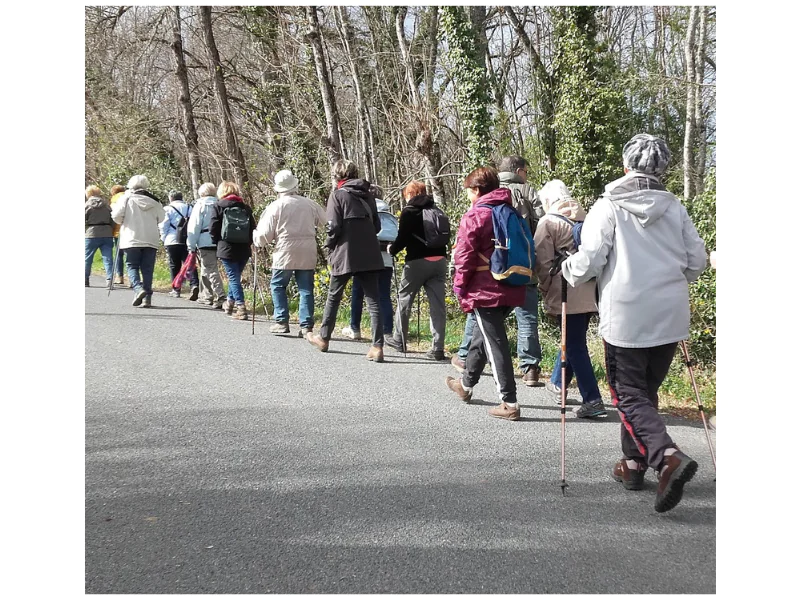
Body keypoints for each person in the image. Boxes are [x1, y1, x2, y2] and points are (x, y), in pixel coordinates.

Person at [561, 133, 707, 512]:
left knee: (628, 396)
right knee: (645, 393)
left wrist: (568, 269)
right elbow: (697, 261)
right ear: (662, 170)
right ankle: (633, 464)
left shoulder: (609, 206)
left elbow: (590, 260)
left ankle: (666, 457)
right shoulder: (674, 207)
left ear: (626, 165)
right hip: (670, 313)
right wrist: (670, 283)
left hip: (626, 313)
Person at [452, 155, 544, 385]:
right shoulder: (526, 193)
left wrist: (460, 284)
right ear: (520, 171)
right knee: (527, 318)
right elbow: (541, 226)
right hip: (522, 266)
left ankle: (467, 360)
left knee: (481, 320)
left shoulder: (483, 199)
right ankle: (530, 367)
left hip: (488, 273)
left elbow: (468, 244)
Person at [445, 167, 526, 420]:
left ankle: (509, 403)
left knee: (495, 344)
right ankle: (466, 385)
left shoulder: (476, 215)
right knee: (482, 338)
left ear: (477, 190)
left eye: (469, 190)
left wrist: (459, 286)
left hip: (485, 289)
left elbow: (464, 256)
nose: (468, 195)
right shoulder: (510, 211)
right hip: (512, 282)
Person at [534, 179, 606, 418]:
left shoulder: (548, 222)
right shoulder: (586, 219)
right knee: (572, 338)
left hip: (566, 289)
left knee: (575, 345)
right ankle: (558, 383)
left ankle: (593, 399)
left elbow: (543, 263)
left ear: (547, 201)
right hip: (590, 289)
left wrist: (544, 288)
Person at [306, 159, 385, 362]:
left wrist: (329, 245)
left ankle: (324, 338)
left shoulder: (337, 195)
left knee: (334, 296)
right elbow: (377, 226)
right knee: (373, 300)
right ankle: (377, 347)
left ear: (337, 175)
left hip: (345, 253)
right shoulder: (368, 195)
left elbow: (333, 227)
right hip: (369, 252)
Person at [253, 169, 326, 336]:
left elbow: (265, 234)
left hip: (284, 250)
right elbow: (326, 222)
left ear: (278, 189)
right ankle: (306, 325)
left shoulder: (275, 206)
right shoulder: (309, 204)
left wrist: (257, 240)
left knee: (278, 285)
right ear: (295, 185)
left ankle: (281, 320)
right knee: (306, 288)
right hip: (308, 249)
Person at [385, 180, 448, 360]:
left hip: (417, 262)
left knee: (404, 297)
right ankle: (438, 348)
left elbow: (402, 238)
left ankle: (400, 339)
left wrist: (392, 249)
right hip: (440, 261)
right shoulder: (437, 210)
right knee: (438, 306)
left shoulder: (410, 211)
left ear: (410, 195)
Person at [341, 185, 397, 342]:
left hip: (366, 259)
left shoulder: (365, 211)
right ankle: (387, 332)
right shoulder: (390, 215)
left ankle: (355, 328)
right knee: (384, 295)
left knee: (358, 293)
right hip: (386, 260)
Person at [111, 175, 165, 307]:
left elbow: (116, 217)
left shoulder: (126, 198)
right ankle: (147, 298)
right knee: (147, 269)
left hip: (131, 238)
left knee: (132, 265)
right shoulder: (155, 200)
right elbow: (162, 218)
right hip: (150, 238)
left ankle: (138, 288)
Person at [209, 181, 256, 321]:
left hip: (226, 247)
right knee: (234, 276)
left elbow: (213, 227)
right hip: (243, 249)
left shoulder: (218, 206)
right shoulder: (246, 208)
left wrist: (217, 242)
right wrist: (248, 243)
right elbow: (253, 228)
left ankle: (241, 307)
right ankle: (229, 303)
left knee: (233, 277)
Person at [187, 182, 226, 310]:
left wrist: (191, 245)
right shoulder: (220, 204)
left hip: (205, 241)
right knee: (206, 267)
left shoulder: (200, 205)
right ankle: (206, 295)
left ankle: (221, 296)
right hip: (220, 240)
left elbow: (194, 226)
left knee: (210, 268)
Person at [160, 190, 200, 300]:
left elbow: (164, 226)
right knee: (190, 264)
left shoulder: (167, 209)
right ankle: (194, 285)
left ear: (171, 198)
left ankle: (176, 289)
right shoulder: (189, 208)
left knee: (174, 265)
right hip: (188, 239)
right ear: (181, 197)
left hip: (172, 240)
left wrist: (164, 238)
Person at [84, 185, 114, 288]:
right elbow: (112, 218)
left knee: (87, 258)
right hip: (106, 232)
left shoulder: (87, 205)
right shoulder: (106, 205)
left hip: (91, 233)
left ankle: (85, 279)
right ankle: (109, 279)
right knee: (108, 258)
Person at [109, 184, 127, 286]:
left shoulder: (114, 200)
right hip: (130, 230)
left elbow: (113, 216)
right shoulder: (128, 197)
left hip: (118, 231)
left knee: (119, 254)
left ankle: (119, 276)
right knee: (129, 255)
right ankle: (133, 277)